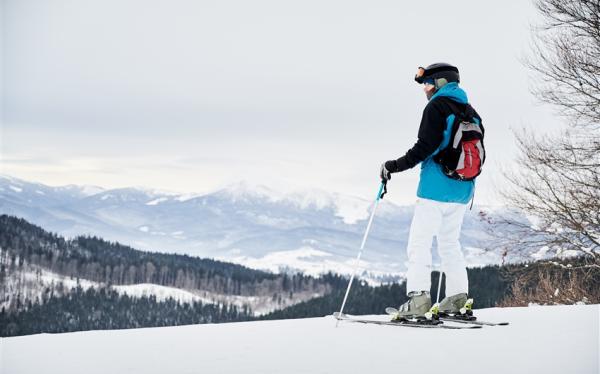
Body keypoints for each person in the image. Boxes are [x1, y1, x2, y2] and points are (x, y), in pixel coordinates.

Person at [380, 63, 483, 320]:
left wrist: (393, 166)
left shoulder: (436, 107)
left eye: (427, 83)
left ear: (440, 82)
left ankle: (419, 301)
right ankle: (458, 299)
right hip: (462, 190)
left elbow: (424, 147)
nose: (424, 88)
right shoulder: (470, 111)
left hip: (435, 190)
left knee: (419, 243)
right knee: (449, 244)